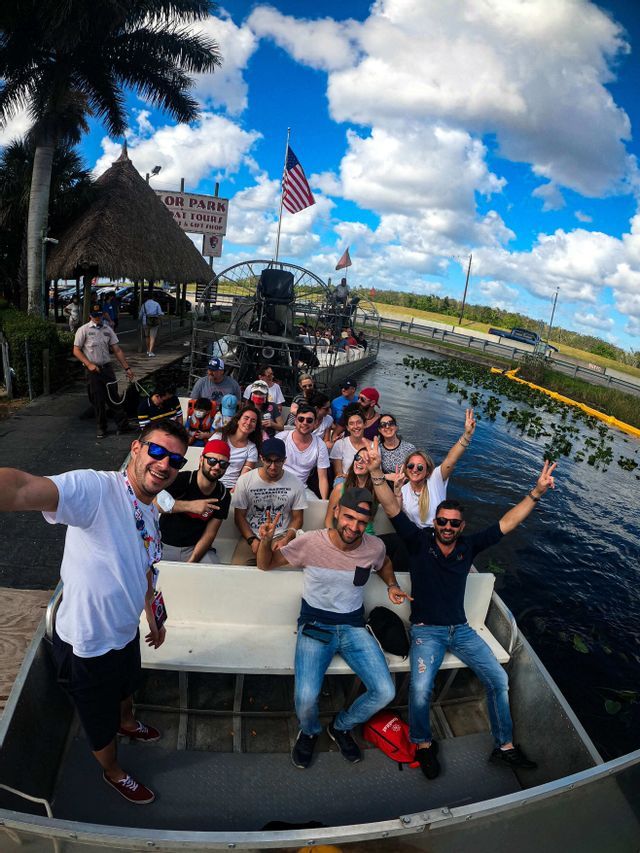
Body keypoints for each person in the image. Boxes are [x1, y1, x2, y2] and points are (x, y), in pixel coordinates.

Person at [0, 419, 190, 804]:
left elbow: (145, 566)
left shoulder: (151, 508)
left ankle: (127, 721)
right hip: (86, 645)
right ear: (136, 449)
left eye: (175, 460)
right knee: (98, 722)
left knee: (126, 688)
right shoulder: (98, 489)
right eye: (157, 451)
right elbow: (22, 488)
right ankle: (113, 772)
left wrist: (153, 612)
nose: (165, 463)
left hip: (125, 631)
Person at [367, 451, 557, 779]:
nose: (447, 527)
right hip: (427, 631)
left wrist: (536, 493)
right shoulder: (417, 542)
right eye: (442, 521)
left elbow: (508, 522)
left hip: (461, 629)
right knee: (421, 687)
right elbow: (391, 507)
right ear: (435, 522)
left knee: (499, 679)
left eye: (454, 523)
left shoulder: (468, 547)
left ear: (461, 526)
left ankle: (505, 747)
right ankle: (423, 744)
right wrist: (375, 473)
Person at [257, 488, 403, 770]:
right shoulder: (311, 542)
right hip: (315, 625)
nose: (354, 526)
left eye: (362, 521)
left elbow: (383, 563)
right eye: (349, 517)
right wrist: (265, 540)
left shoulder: (374, 547)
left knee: (385, 691)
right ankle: (310, 730)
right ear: (336, 512)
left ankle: (341, 726)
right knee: (305, 697)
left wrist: (393, 584)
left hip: (353, 627)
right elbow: (266, 564)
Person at [393, 409, 476, 529]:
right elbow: (398, 516)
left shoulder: (435, 479)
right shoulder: (403, 490)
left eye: (420, 467)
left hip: (440, 531)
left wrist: (467, 435)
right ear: (406, 468)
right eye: (411, 466)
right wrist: (396, 491)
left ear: (427, 471)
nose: (415, 469)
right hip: (417, 536)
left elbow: (451, 459)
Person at [231, 437, 307, 565]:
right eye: (268, 460)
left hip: (280, 536)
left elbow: (298, 518)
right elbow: (239, 517)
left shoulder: (296, 483)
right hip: (253, 535)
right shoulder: (245, 480)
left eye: (278, 461)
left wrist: (286, 539)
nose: (273, 466)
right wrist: (252, 540)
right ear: (261, 458)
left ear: (284, 460)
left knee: (289, 574)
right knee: (235, 571)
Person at [158, 438, 231, 563]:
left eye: (223, 464)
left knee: (215, 573)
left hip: (194, 549)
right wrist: (190, 506)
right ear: (201, 459)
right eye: (212, 461)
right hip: (163, 545)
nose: (217, 466)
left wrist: (192, 561)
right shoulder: (182, 480)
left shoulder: (223, 495)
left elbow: (210, 534)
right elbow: (155, 504)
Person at [73, 303, 134, 439]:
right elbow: (76, 350)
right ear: (90, 316)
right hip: (93, 370)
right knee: (97, 399)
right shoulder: (83, 330)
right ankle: (101, 427)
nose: (97, 318)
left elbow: (117, 349)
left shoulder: (107, 329)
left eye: (99, 315)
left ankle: (122, 425)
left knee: (114, 398)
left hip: (106, 368)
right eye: (95, 316)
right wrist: (88, 364)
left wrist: (127, 368)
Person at [276, 404, 330, 499]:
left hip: (301, 489)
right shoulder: (281, 438)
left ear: (315, 423)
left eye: (309, 420)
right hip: (277, 485)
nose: (305, 423)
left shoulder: (320, 445)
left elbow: (323, 478)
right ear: (295, 421)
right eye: (301, 419)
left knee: (318, 509)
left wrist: (324, 502)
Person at [325, 451, 377, 533]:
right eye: (357, 457)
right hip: (345, 538)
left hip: (367, 539)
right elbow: (328, 521)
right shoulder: (340, 488)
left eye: (365, 460)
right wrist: (336, 540)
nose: (359, 461)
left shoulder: (376, 490)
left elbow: (392, 509)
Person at [212, 405, 261, 489]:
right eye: (246, 418)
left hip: (233, 488)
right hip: (212, 482)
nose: (248, 423)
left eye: (253, 421)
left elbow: (244, 478)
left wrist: (235, 490)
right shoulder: (219, 437)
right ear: (238, 420)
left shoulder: (252, 448)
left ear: (255, 427)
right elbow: (206, 463)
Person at [330, 409, 372, 484]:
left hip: (367, 482)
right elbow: (338, 474)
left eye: (359, 422)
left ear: (364, 424)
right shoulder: (340, 444)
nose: (355, 426)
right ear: (348, 428)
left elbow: (374, 472)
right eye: (351, 424)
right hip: (346, 481)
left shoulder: (373, 446)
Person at [377, 414, 416, 482]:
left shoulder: (409, 448)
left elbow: (417, 472)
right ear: (379, 430)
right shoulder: (378, 450)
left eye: (391, 423)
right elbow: (374, 473)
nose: (387, 426)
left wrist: (404, 474)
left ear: (396, 427)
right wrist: (385, 476)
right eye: (383, 425)